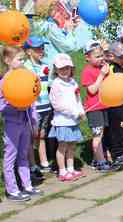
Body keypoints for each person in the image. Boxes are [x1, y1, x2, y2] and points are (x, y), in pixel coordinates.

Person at [0, 46, 44, 201]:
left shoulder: (25, 77)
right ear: (7, 61)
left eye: (23, 59)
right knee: (10, 157)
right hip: (12, 124)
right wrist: (14, 106)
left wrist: (34, 121)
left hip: (25, 123)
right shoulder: (5, 81)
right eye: (19, 59)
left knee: (24, 154)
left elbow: (31, 100)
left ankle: (27, 185)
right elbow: (1, 105)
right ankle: (12, 190)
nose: (22, 62)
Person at [48, 53, 85, 182]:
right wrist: (74, 112)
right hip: (62, 121)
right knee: (62, 146)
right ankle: (62, 171)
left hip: (73, 121)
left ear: (71, 69)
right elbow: (57, 105)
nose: (64, 71)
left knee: (72, 146)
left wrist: (81, 111)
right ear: (56, 70)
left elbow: (77, 99)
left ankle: (70, 168)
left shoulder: (73, 82)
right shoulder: (56, 84)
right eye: (60, 68)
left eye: (66, 68)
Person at [23, 36, 56, 174]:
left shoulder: (44, 66)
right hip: (33, 108)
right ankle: (32, 164)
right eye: (37, 48)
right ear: (29, 51)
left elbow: (49, 84)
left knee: (42, 135)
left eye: (42, 48)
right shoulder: (26, 67)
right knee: (31, 136)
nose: (41, 51)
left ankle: (43, 161)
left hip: (46, 107)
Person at [80, 40, 115, 172]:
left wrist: (108, 72)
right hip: (94, 109)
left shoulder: (103, 68)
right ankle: (100, 162)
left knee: (102, 134)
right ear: (87, 57)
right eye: (97, 56)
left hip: (104, 106)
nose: (101, 59)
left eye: (102, 55)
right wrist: (101, 75)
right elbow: (92, 90)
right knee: (97, 135)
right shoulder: (87, 71)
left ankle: (97, 159)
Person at [104, 42, 123, 166]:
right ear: (111, 56)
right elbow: (118, 83)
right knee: (118, 130)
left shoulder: (121, 66)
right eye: (120, 56)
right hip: (116, 107)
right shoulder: (111, 68)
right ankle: (118, 153)